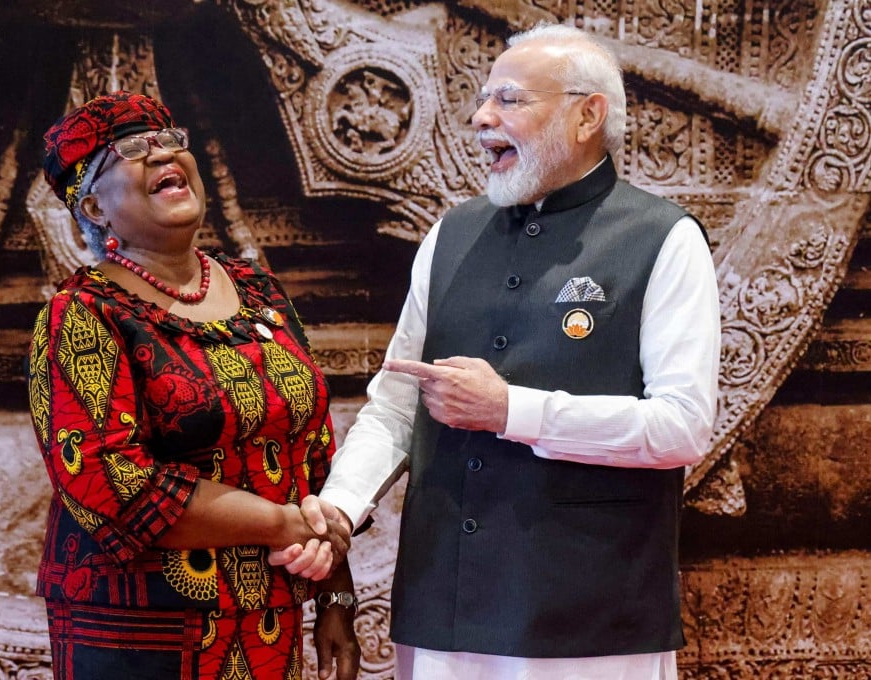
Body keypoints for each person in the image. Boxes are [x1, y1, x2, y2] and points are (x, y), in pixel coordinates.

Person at [272, 21, 720, 680]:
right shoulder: (449, 235)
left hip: (590, 620)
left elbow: (682, 427)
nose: (482, 118)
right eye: (484, 100)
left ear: (586, 115)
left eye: (509, 100)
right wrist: (338, 509)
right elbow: (397, 407)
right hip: (441, 610)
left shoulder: (664, 239)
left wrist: (513, 411)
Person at [28, 91, 360, 680]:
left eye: (170, 140)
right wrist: (281, 524)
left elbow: (311, 451)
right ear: (95, 208)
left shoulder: (258, 289)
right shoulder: (81, 314)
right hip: (140, 629)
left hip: (267, 614)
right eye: (130, 150)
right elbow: (111, 483)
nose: (161, 154)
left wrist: (335, 592)